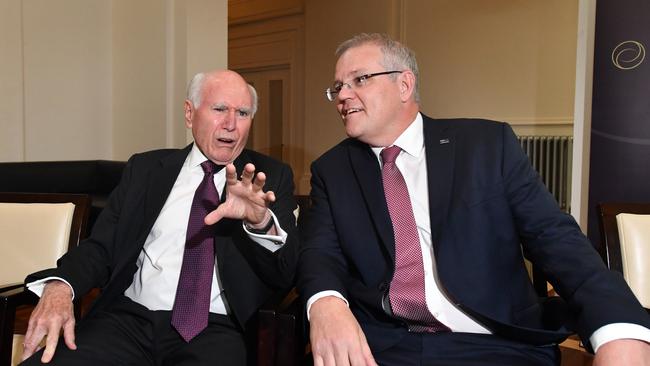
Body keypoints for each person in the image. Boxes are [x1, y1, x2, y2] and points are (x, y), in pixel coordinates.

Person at [297, 33, 650, 366]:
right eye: (337, 86)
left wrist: (619, 330)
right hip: (388, 344)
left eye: (359, 80)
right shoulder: (333, 169)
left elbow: (555, 238)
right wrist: (326, 303)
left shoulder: (485, 145)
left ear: (404, 84)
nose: (342, 95)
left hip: (493, 342)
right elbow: (320, 252)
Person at [21, 70, 299, 365]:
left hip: (216, 330)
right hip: (128, 321)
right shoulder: (146, 169)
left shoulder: (268, 178)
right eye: (219, 109)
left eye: (242, 113)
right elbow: (101, 247)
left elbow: (285, 272)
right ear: (190, 114)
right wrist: (61, 285)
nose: (231, 124)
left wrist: (260, 222)